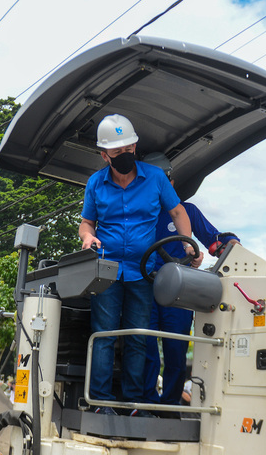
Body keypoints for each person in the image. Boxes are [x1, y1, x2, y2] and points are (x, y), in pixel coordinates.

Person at [79, 115, 194, 416]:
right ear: (105, 155)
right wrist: (88, 237)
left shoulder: (155, 177)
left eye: (129, 149)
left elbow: (179, 211)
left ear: (134, 145)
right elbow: (86, 224)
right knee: (104, 334)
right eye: (117, 153)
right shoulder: (95, 183)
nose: (125, 156)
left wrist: (186, 242)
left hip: (144, 270)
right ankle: (101, 402)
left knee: (138, 336)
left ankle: (132, 404)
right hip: (107, 268)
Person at [141, 153, 240, 407]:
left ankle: (171, 405)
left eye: (164, 180)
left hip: (179, 292)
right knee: (145, 348)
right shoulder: (139, 215)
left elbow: (214, 239)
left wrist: (228, 242)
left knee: (176, 351)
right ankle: (145, 404)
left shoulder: (187, 212)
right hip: (144, 289)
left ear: (171, 184)